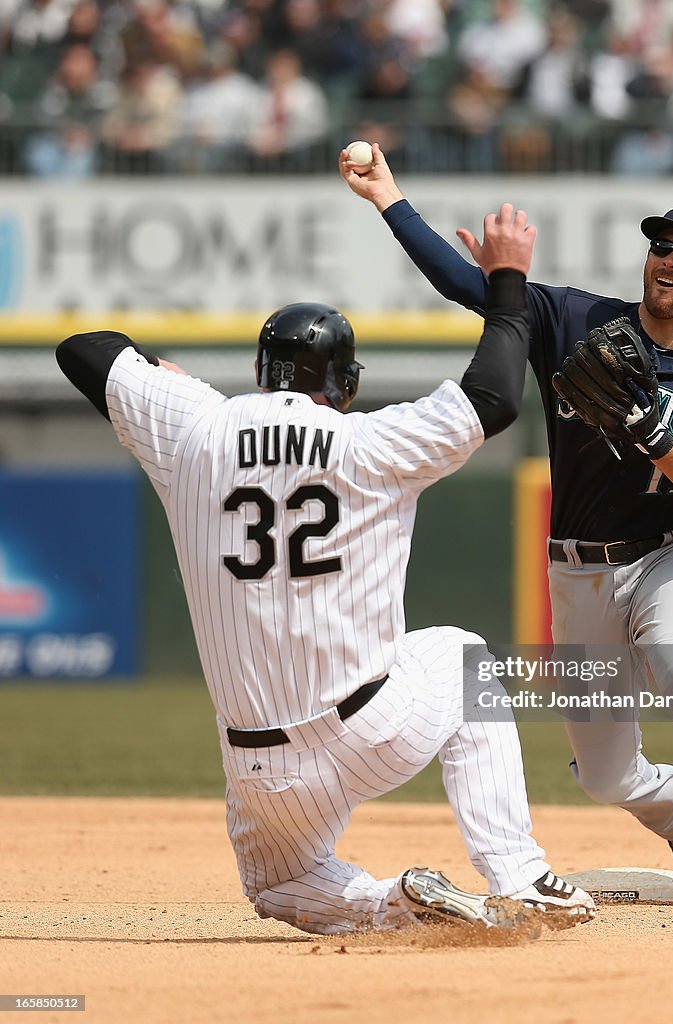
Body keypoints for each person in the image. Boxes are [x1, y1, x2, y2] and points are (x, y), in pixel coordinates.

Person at [55, 204, 596, 935]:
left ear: (260, 370)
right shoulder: (370, 442)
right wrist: (506, 284)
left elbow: (83, 348)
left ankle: (392, 902)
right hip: (376, 729)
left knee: (281, 887)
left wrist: (157, 379)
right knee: (464, 658)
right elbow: (495, 397)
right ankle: (522, 876)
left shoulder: (194, 427)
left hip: (262, 768)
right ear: (343, 384)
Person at [340, 144, 673, 909]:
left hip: (668, 556)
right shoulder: (573, 319)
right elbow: (465, 285)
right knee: (609, 775)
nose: (668, 260)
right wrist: (388, 196)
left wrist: (654, 435)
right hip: (578, 569)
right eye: (661, 246)